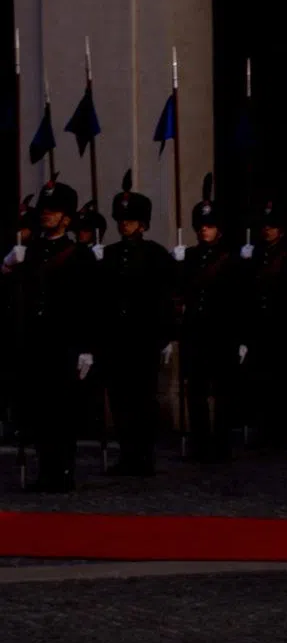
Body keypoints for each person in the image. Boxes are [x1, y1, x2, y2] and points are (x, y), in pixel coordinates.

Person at [1, 181, 98, 492]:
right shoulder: (29, 252)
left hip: (64, 342)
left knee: (62, 411)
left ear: (66, 218)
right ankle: (45, 470)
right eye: (44, 210)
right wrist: (7, 266)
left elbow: (89, 304)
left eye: (53, 211)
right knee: (39, 410)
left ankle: (63, 470)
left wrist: (86, 347)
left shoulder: (79, 256)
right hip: (34, 342)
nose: (46, 215)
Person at [99, 171, 177, 476]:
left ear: (142, 223)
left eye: (130, 220)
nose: (124, 225)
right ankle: (127, 454)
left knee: (143, 400)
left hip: (143, 337)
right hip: (117, 339)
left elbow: (165, 297)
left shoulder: (156, 255)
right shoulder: (109, 254)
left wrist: (167, 335)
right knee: (120, 401)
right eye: (121, 220)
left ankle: (144, 456)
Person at [175, 175, 242, 463]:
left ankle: (222, 444)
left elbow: (240, 300)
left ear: (220, 230)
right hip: (195, 332)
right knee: (197, 391)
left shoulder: (230, 260)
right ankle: (200, 443)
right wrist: (175, 264)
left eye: (210, 226)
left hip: (221, 331)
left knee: (224, 391)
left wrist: (241, 337)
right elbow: (179, 294)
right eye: (201, 226)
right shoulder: (189, 257)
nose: (204, 231)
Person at [239, 198, 287, 446]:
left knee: (282, 382)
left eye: (272, 226)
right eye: (265, 226)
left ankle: (283, 431)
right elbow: (247, 295)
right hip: (260, 329)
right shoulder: (254, 257)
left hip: (282, 328)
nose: (267, 230)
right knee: (261, 381)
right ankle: (264, 429)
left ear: (281, 230)